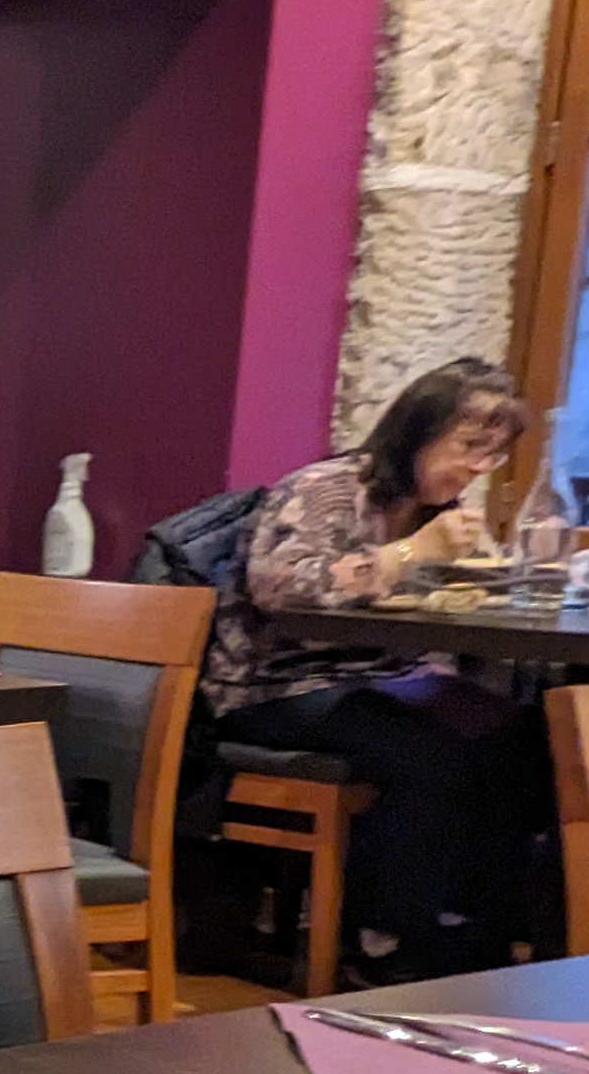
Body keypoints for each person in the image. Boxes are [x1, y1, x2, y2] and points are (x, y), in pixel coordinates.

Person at [206, 356, 557, 976]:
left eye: (494, 454)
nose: (480, 467)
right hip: (273, 684)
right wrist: (411, 553)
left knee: (526, 738)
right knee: (427, 754)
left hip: (381, 677)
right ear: (417, 432)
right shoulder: (327, 488)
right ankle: (383, 940)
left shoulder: (438, 508)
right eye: (469, 447)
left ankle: (483, 936)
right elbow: (280, 587)